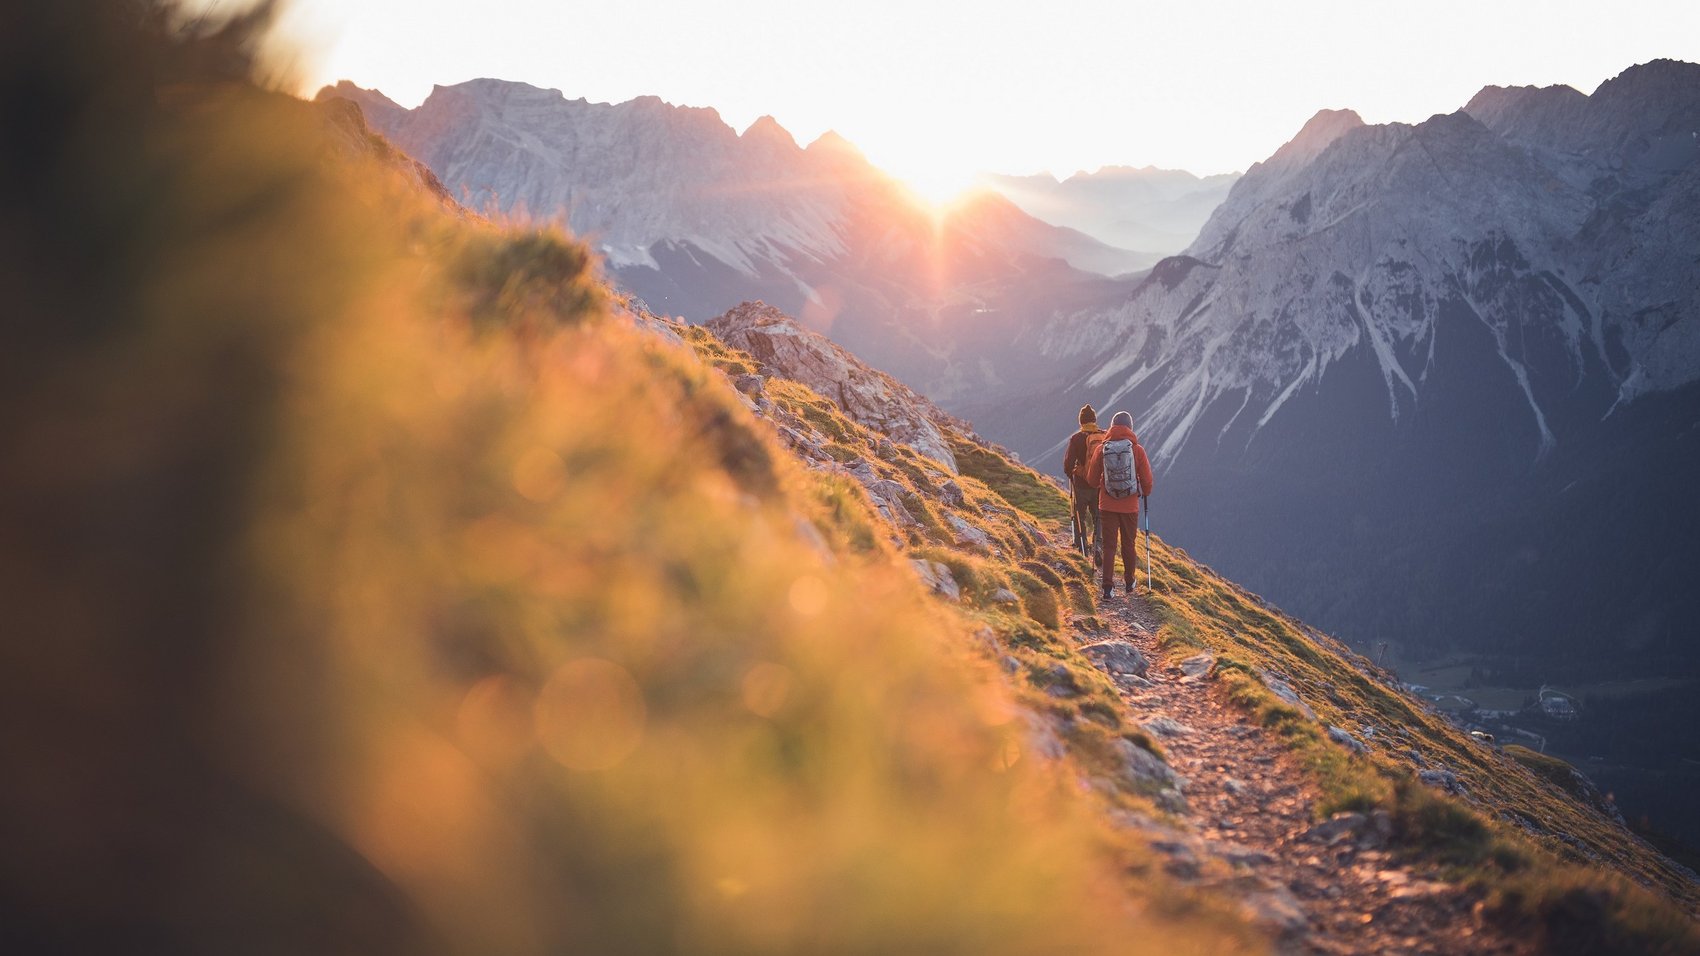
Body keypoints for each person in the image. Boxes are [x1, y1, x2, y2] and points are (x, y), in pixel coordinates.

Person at [1085, 410, 1154, 600]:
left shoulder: (1102, 448)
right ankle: (1129, 582)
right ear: (1130, 427)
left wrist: (1103, 482)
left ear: (1113, 426)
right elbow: (1147, 480)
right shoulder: (1137, 450)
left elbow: (1091, 480)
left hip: (1107, 505)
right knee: (1128, 544)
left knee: (1109, 546)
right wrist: (1145, 491)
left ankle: (1107, 587)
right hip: (1130, 505)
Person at [1061, 405, 1104, 564]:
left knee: (1080, 516)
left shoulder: (1076, 438)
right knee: (1098, 517)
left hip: (1081, 485)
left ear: (1081, 421)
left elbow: (1068, 464)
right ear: (1094, 420)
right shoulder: (1103, 436)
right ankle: (1098, 546)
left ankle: (1083, 548)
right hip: (1099, 486)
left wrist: (1072, 475)